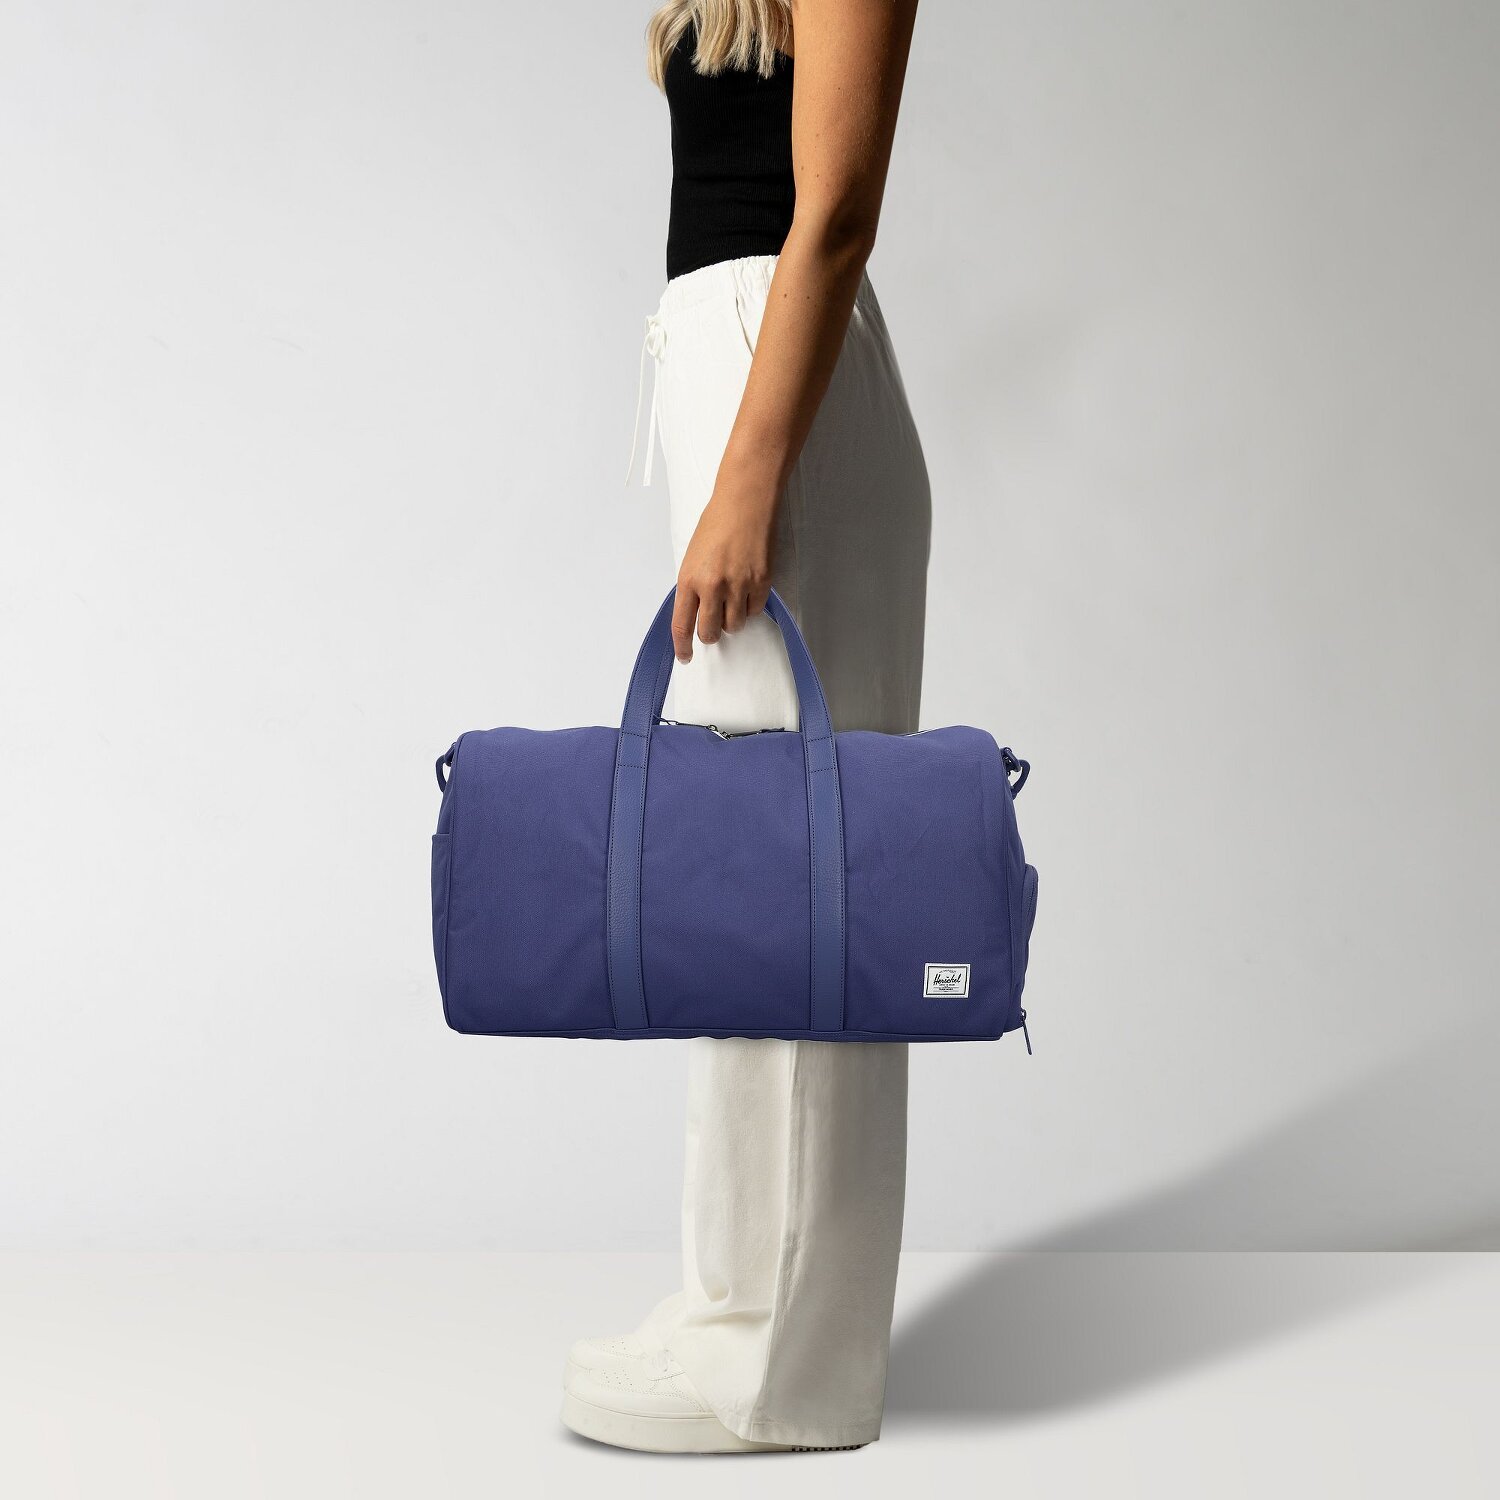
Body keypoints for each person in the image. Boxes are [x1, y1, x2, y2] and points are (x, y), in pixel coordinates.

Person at [562, 0, 929, 1454]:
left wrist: (746, 479)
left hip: (781, 385)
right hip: (735, 361)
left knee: (802, 885)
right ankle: (738, 1297)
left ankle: (788, 1368)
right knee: (749, 875)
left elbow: (834, 210)